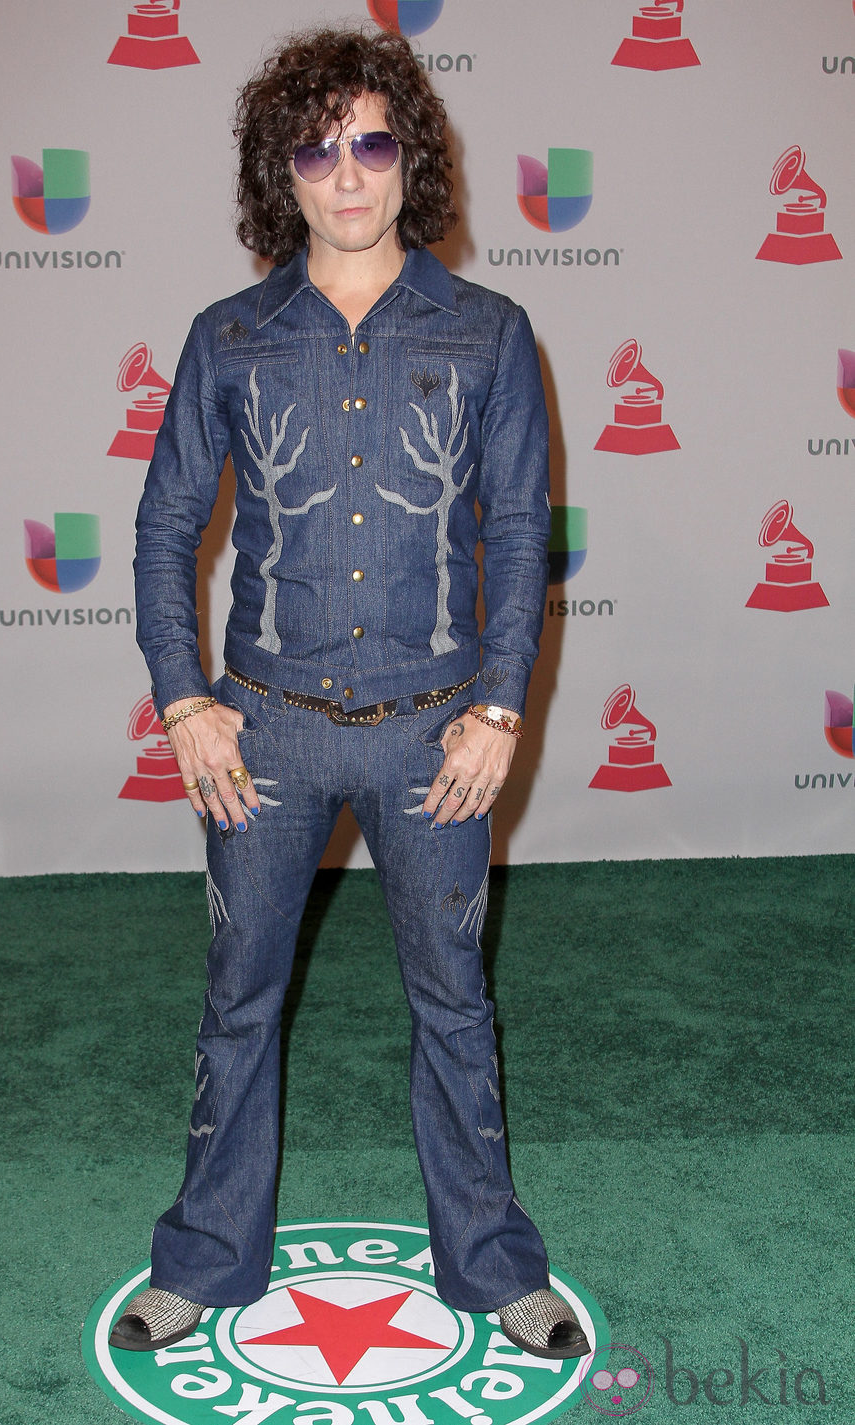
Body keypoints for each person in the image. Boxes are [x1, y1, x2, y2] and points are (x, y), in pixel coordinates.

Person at [112, 25, 589, 1362]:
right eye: (315, 147)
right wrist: (184, 697)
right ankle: (204, 1262)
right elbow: (161, 534)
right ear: (284, 171)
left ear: (409, 157)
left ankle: (493, 1265)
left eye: (372, 140)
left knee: (455, 1002)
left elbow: (516, 527)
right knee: (237, 1001)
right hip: (261, 736)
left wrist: (501, 708)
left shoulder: (491, 333)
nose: (347, 172)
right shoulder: (230, 339)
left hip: (440, 734)